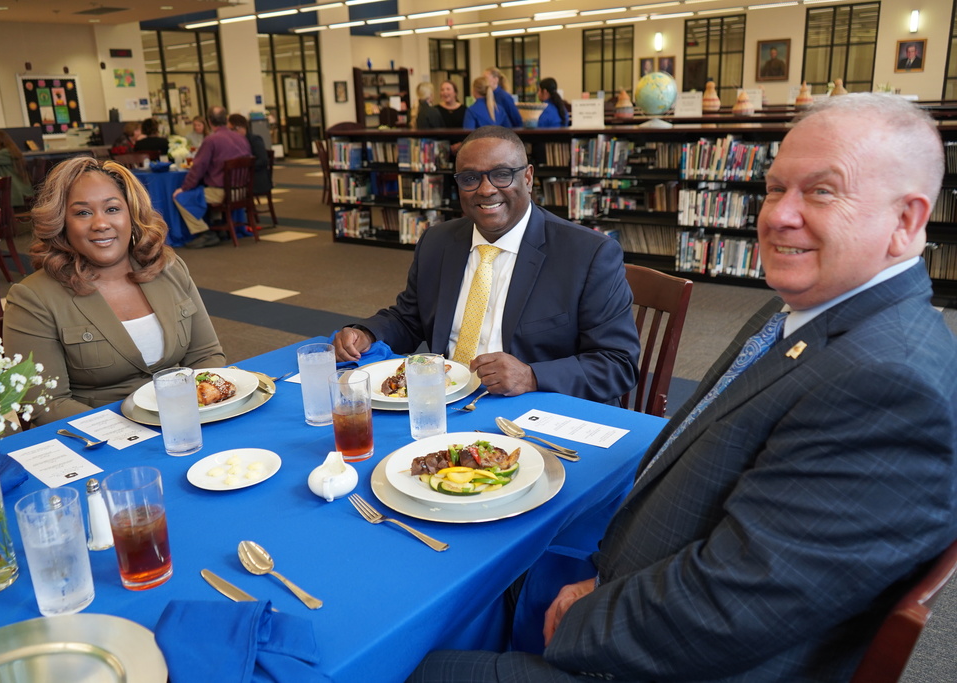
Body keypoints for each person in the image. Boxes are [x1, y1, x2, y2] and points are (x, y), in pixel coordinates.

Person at [408, 94, 957, 681]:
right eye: (775, 189)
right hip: (644, 581)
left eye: (821, 191)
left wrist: (579, 619)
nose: (778, 216)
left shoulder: (888, 385)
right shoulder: (808, 313)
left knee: (407, 665)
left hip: (669, 660)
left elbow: (733, 608)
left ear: (906, 222)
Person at [333, 126, 640, 404]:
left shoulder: (588, 254)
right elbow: (411, 318)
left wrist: (532, 376)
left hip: (536, 407)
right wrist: (368, 332)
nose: (486, 189)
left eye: (502, 174)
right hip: (445, 400)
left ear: (529, 178)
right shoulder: (437, 242)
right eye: (470, 178)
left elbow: (617, 363)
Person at [3, 156, 225, 426]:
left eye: (112, 209)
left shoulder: (169, 268)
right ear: (61, 221)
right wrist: (134, 427)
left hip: (187, 420)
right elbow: (46, 404)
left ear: (131, 214)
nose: (100, 224)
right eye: (83, 212)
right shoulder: (33, 297)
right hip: (103, 440)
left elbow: (206, 355)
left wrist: (199, 403)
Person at [172, 105, 250, 249]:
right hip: (243, 190)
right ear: (226, 119)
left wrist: (184, 188)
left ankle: (204, 232)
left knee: (180, 197)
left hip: (222, 192)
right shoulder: (241, 139)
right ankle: (218, 224)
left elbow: (198, 168)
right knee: (207, 187)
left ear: (209, 121)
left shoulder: (211, 140)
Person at [228, 113, 272, 203]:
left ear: (240, 128)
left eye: (231, 130)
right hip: (243, 179)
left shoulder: (254, 140)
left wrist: (245, 167)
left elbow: (263, 160)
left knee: (226, 192)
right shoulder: (234, 142)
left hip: (256, 180)